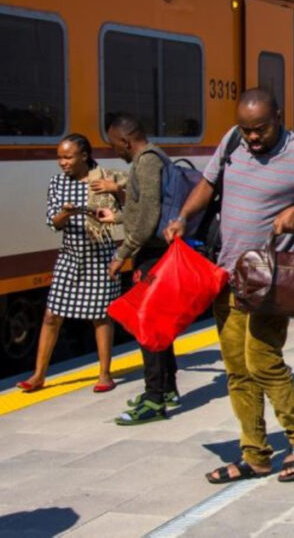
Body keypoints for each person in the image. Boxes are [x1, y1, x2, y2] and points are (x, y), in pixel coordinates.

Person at [167, 89, 294, 483]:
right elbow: (207, 183)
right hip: (228, 275)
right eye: (247, 130)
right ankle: (254, 455)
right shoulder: (233, 139)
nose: (253, 139)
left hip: (270, 280)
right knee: (237, 371)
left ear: (280, 116)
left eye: (261, 130)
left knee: (262, 361)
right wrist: (184, 215)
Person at [17, 134, 122, 394]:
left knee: (100, 316)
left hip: (99, 254)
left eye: (67, 157)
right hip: (70, 255)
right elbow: (53, 222)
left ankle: (105, 375)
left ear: (84, 156)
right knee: (52, 314)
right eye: (59, 157)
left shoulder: (104, 179)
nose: (62, 162)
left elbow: (130, 208)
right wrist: (66, 212)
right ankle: (38, 375)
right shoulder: (57, 183)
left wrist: (116, 191)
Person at [98, 114, 181, 423]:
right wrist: (118, 218)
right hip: (154, 253)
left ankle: (154, 397)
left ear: (125, 140)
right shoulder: (155, 157)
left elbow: (148, 216)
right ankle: (167, 387)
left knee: (147, 325)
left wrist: (123, 252)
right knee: (157, 323)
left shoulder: (146, 162)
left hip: (151, 256)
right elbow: (141, 209)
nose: (113, 151)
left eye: (113, 144)